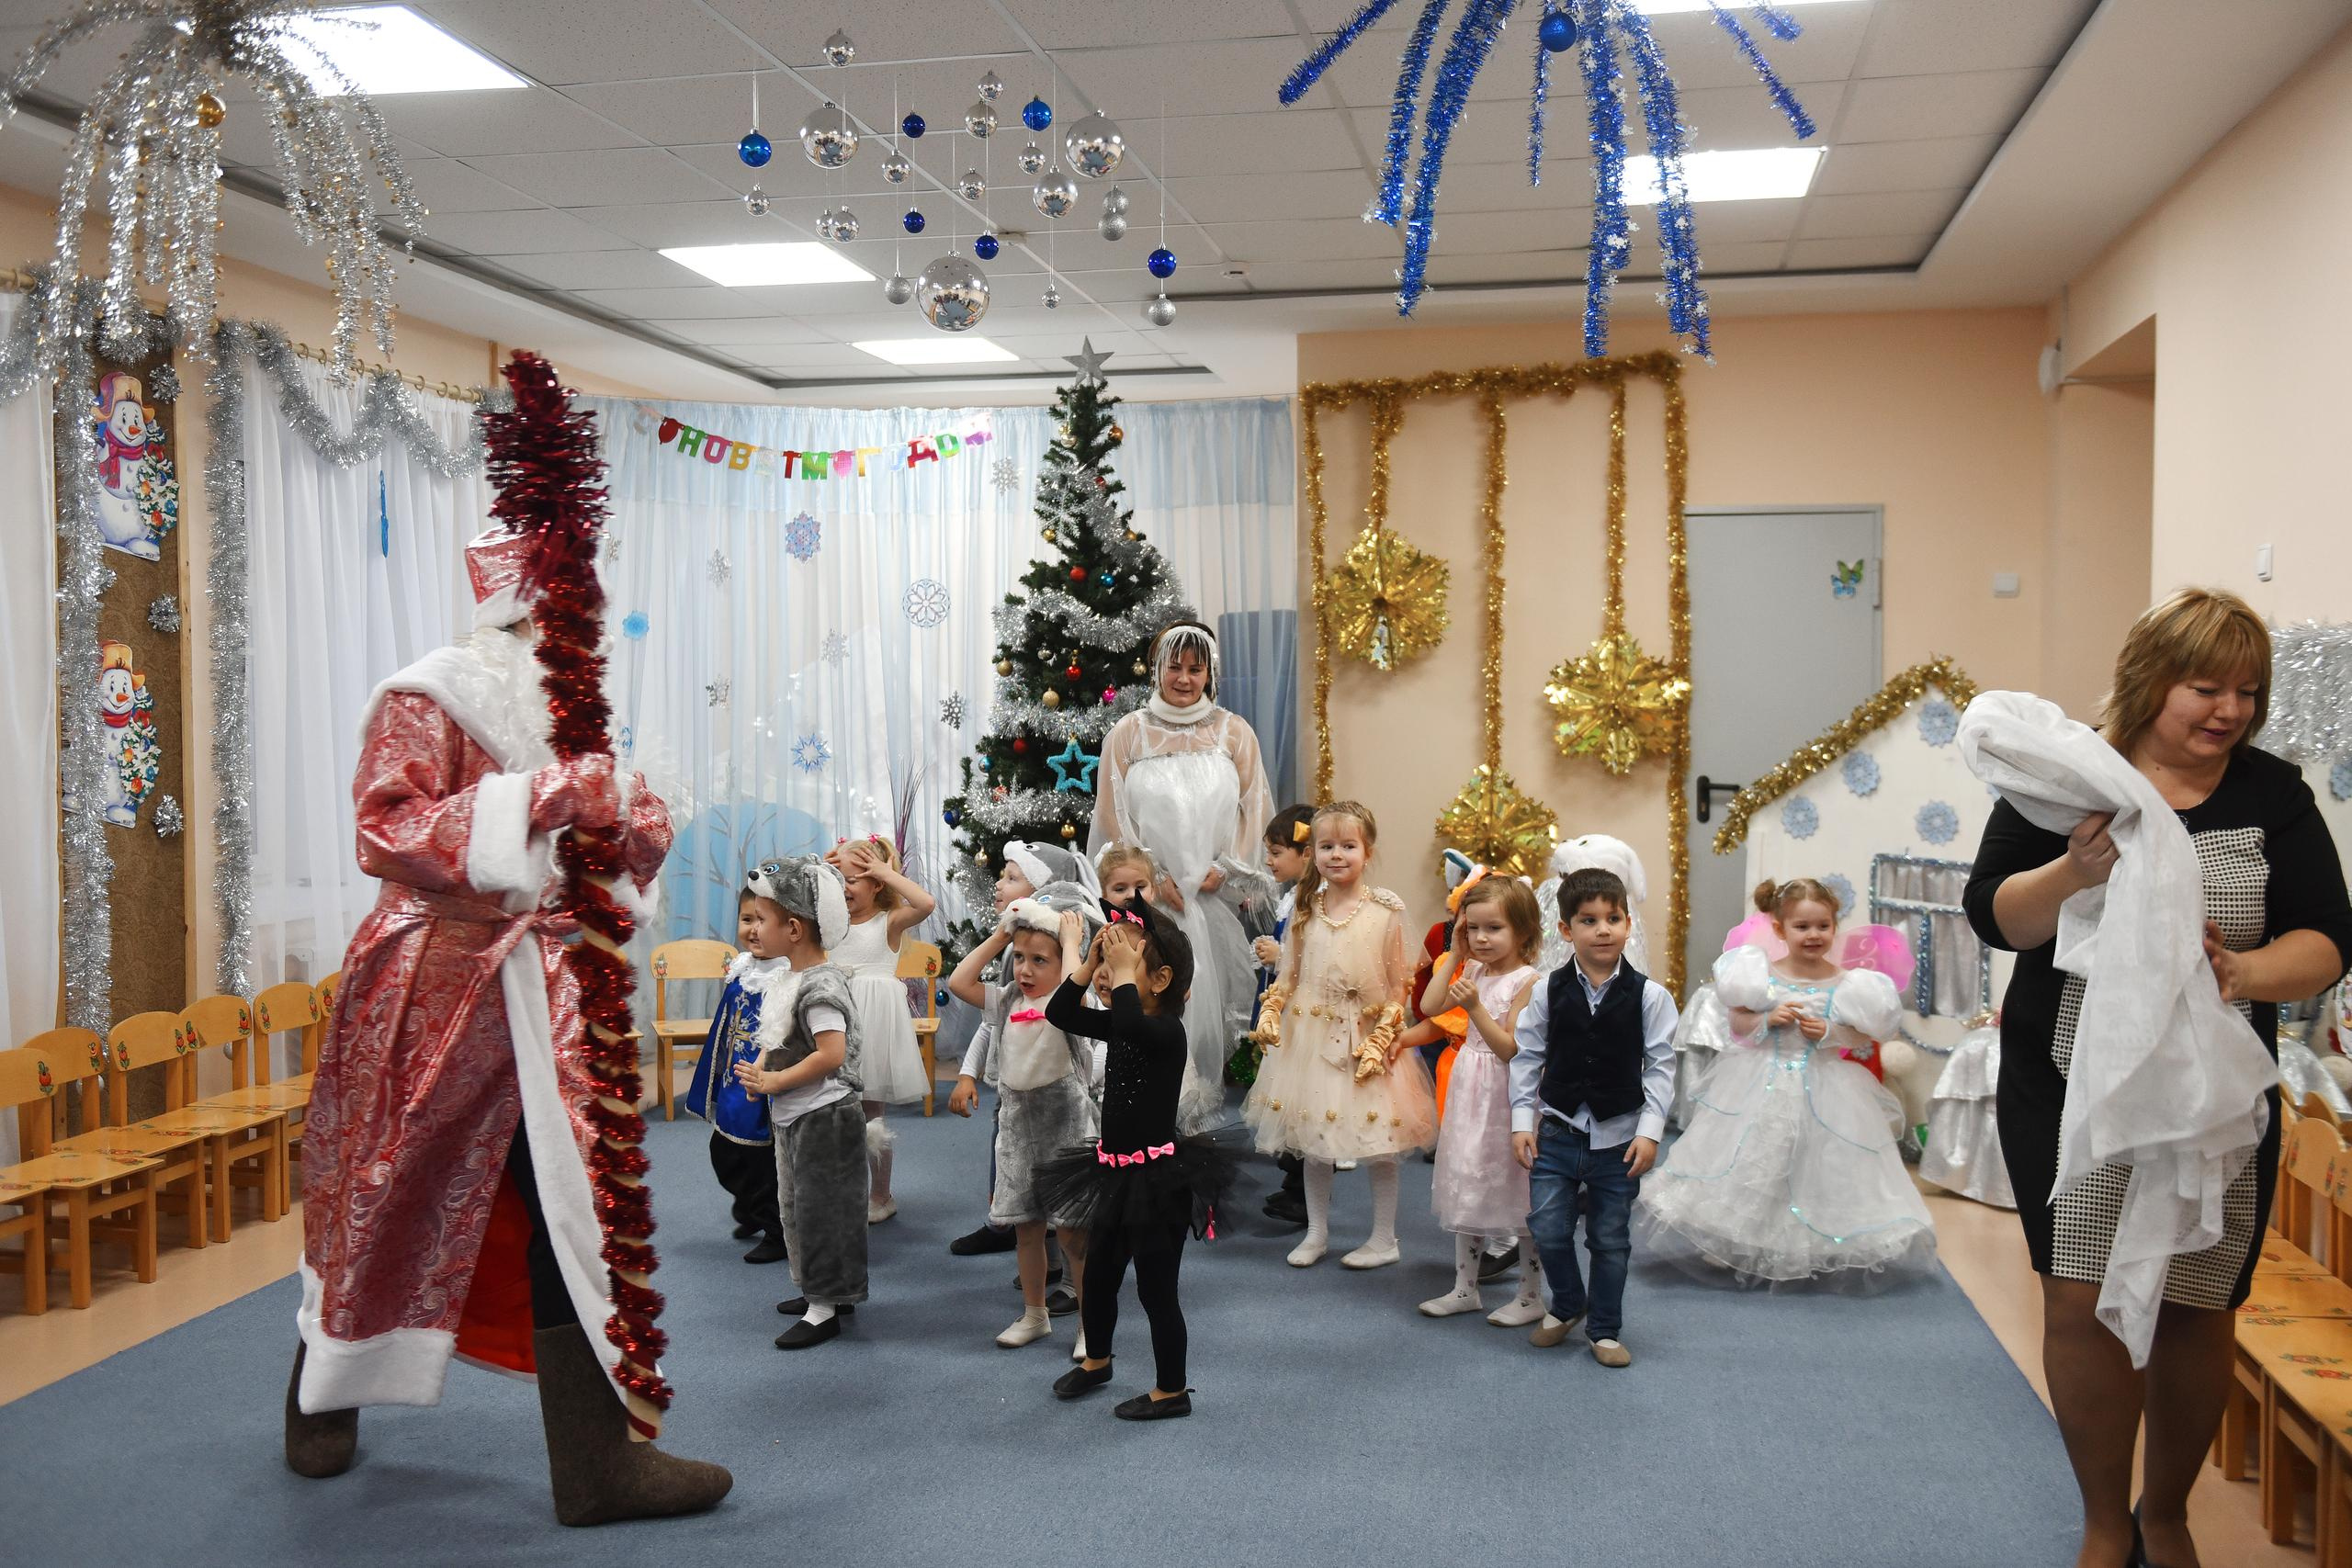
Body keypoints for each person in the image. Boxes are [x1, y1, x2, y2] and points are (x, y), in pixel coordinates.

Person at [287, 525, 730, 1525]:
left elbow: (609, 843)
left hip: (549, 995)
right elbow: (386, 827)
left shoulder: (575, 710)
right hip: (432, 993)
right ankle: (319, 1396)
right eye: (557, 609)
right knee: (384, 1191)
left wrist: (629, 816)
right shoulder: (427, 693)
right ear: (509, 609)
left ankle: (596, 1463)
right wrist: (534, 796)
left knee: (571, 1207)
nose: (573, 627)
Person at [1962, 588, 2352, 1568]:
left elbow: (2329, 939)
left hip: (2210, 1097)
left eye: (2246, 692)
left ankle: (2166, 1514)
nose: (2228, 711)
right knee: (2078, 1298)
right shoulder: (2067, 778)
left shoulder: (2271, 793)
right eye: (2205, 687)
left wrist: (2245, 972)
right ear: (2150, 682)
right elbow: (1994, 917)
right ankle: (2103, 1521)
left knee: (2195, 1300)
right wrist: (2071, 873)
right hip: (2067, 1089)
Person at [1634, 878, 1934, 1292]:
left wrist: (1829, 1031)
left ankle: (1804, 1244)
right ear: (1779, 929)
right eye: (1802, 927)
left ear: (1834, 926)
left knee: (1812, 1164)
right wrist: (1765, 1021)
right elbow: (1737, 1025)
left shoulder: (1850, 984)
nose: (1813, 935)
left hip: (1825, 1086)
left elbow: (1862, 1036)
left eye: (1822, 926)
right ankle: (1734, 1238)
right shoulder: (1758, 976)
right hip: (1761, 1078)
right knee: (1751, 1158)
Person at [1035, 902, 1235, 1420]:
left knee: (1156, 1290)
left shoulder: (1164, 1032)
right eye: (1106, 959)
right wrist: (1086, 963)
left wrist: (1120, 976)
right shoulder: (1126, 1023)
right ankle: (1097, 1360)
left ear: (1161, 979)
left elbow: (1127, 1019)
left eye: (1123, 961)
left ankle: (1172, 1391)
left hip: (1158, 1183)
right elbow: (1059, 1013)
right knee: (1099, 1275)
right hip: (1114, 1173)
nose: (1109, 972)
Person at [1091, 620, 1275, 1132]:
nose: (1185, 678)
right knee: (1148, 1005)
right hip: (1152, 900)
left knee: (1203, 1012)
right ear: (1157, 667)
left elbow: (1255, 808)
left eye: (1197, 668)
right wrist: (1150, 880)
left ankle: (1196, 1124)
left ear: (1209, 672)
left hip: (1211, 899)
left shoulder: (1235, 731)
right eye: (1175, 666)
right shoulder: (1128, 733)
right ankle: (1146, 1123)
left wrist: (1227, 867)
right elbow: (1112, 816)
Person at [1241, 801, 1439, 1269]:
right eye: (1326, 846)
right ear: (1312, 853)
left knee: (1380, 1141)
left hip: (1365, 1037)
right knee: (1313, 1139)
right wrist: (1272, 1010)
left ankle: (1385, 1237)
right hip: (1309, 1035)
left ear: (1367, 852)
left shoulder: (1386, 910)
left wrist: (1385, 1032)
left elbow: (1398, 983)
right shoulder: (1306, 909)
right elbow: (1288, 974)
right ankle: (1316, 1232)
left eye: (1348, 846)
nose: (1337, 855)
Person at [1509, 867, 1678, 1368]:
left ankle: (1603, 1328)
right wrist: (1523, 1121)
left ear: (1627, 924)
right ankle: (1567, 1303)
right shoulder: (1547, 990)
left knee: (1609, 1238)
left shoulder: (1651, 996)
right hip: (1557, 1132)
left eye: (1613, 918)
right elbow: (1527, 1056)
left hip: (1618, 1139)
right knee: (1548, 1226)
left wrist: (1649, 1133)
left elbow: (1662, 1069)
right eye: (1589, 920)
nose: (1603, 929)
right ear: (1566, 930)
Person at [945, 890, 1102, 1349]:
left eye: (1040, 960)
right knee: (1027, 1229)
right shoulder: (1008, 999)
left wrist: (1072, 943)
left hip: (1067, 1128)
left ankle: (1090, 1325)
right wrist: (1000, 935)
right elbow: (959, 981)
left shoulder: (1073, 1002)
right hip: (1017, 1131)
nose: (1027, 970)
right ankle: (1035, 1314)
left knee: (1073, 1234)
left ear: (1062, 966)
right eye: (1020, 959)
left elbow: (1077, 987)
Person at [731, 856, 870, 1351]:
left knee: (821, 1211)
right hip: (798, 1113)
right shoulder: (791, 977)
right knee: (795, 1206)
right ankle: (830, 1291)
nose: (751, 930)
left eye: (760, 920)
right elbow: (778, 1033)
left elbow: (831, 1054)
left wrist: (774, 1082)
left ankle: (825, 1307)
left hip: (824, 1116)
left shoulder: (822, 985)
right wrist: (763, 1074)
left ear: (793, 928)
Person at [1418, 872, 1546, 1326]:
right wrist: (1454, 955)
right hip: (1469, 1088)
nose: (1482, 938)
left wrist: (1473, 1008)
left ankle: (1531, 1295)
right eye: (1473, 928)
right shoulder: (1470, 968)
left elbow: (1511, 1048)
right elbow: (1429, 1008)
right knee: (1468, 1180)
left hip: (1507, 1092)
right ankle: (1464, 1288)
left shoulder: (1528, 981)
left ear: (1523, 931)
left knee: (1518, 1191)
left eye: (1494, 928)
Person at [823, 836, 936, 1224]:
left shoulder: (888, 922)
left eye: (855, 879)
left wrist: (888, 871)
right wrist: (822, 872)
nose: (845, 888)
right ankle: (839, 1189)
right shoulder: (828, 925)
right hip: (833, 1022)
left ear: (877, 885)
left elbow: (926, 904)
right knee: (832, 1109)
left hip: (872, 1025)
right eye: (838, 880)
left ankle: (881, 1194)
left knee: (871, 1115)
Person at [678, 888, 787, 1264]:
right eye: (747, 920)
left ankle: (778, 1230)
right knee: (724, 1150)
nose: (754, 930)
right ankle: (751, 1208)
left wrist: (765, 1071)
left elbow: (786, 1032)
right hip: (733, 1079)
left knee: (764, 1160)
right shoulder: (745, 967)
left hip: (765, 1084)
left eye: (762, 921)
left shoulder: (787, 974)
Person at [1251, 805, 1316, 1226]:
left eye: (1277, 852)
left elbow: (1317, 959)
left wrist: (1281, 956)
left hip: (1304, 1014)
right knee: (1286, 1100)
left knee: (1303, 1099)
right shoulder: (1291, 897)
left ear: (1305, 853)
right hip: (1284, 1007)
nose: (1270, 862)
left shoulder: (1315, 901)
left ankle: (1306, 1192)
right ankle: (1296, 1184)